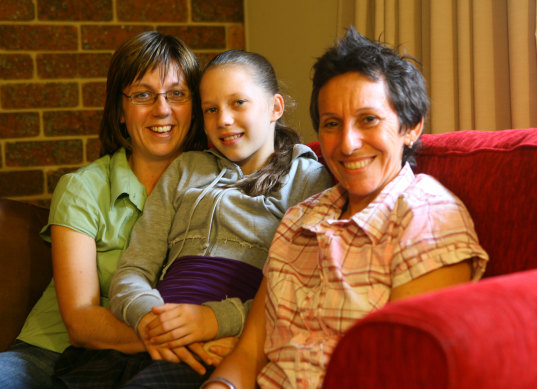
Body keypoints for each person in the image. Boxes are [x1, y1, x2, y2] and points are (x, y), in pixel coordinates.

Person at [202, 27, 490, 389]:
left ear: (411, 127)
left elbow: (407, 373)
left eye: (368, 119)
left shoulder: (426, 217)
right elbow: (248, 354)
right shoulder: (299, 219)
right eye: (332, 124)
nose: (348, 144)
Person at [51, 49, 333, 388]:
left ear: (275, 107)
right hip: (156, 329)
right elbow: (133, 270)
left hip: (224, 338)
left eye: (238, 103)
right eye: (211, 109)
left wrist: (218, 320)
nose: (223, 120)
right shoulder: (186, 168)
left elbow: (303, 292)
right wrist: (150, 320)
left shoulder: (309, 179)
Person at [0, 31, 203, 389]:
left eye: (177, 94)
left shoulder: (214, 189)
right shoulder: (83, 188)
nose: (162, 109)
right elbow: (81, 322)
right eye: (143, 94)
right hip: (49, 355)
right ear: (120, 111)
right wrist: (187, 341)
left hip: (150, 364)